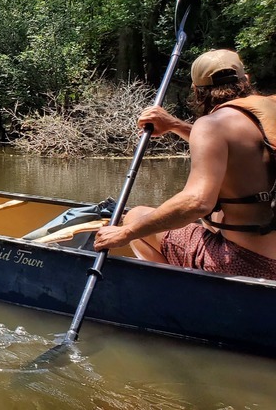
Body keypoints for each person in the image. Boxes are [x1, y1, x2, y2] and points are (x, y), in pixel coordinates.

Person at [94, 49, 276, 279]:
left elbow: (197, 202)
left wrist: (126, 233)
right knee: (208, 221)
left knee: (136, 216)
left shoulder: (212, 125)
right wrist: (174, 125)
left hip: (251, 264)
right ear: (246, 79)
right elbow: (237, 148)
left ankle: (179, 297)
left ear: (196, 91)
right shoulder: (270, 109)